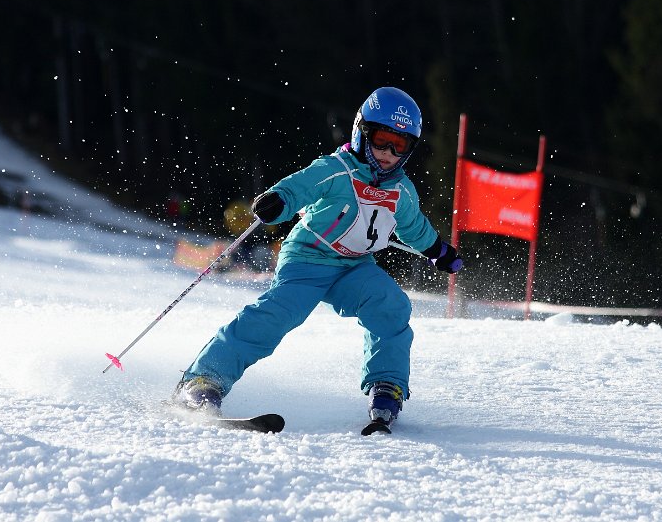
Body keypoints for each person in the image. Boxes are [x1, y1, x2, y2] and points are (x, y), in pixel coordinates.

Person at [173, 87, 463, 429]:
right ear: (361, 132)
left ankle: (387, 386)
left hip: (355, 267)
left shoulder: (401, 190)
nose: (387, 153)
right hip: (308, 260)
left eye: (399, 146)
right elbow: (300, 187)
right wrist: (278, 201)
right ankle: (203, 381)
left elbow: (414, 227)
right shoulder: (336, 168)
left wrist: (437, 251)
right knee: (279, 314)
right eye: (382, 140)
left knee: (390, 303)